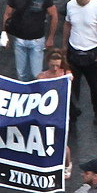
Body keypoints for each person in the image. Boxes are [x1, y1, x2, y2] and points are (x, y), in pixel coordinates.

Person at [63, 0, 97, 124]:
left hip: (92, 54)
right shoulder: (70, 5)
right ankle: (72, 114)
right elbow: (67, 24)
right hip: (74, 52)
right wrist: (64, 47)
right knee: (72, 86)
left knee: (96, 86)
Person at [1, 0, 58, 82]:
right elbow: (7, 13)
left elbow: (54, 15)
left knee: (36, 75)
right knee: (21, 74)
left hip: (37, 41)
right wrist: (4, 34)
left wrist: (51, 37)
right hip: (19, 40)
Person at [37, 49, 73, 180]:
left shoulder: (65, 75)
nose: (55, 68)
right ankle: (49, 164)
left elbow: (69, 83)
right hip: (47, 114)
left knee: (62, 141)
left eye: (58, 65)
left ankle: (67, 164)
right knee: (46, 140)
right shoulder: (42, 76)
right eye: (52, 65)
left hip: (61, 113)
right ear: (48, 63)